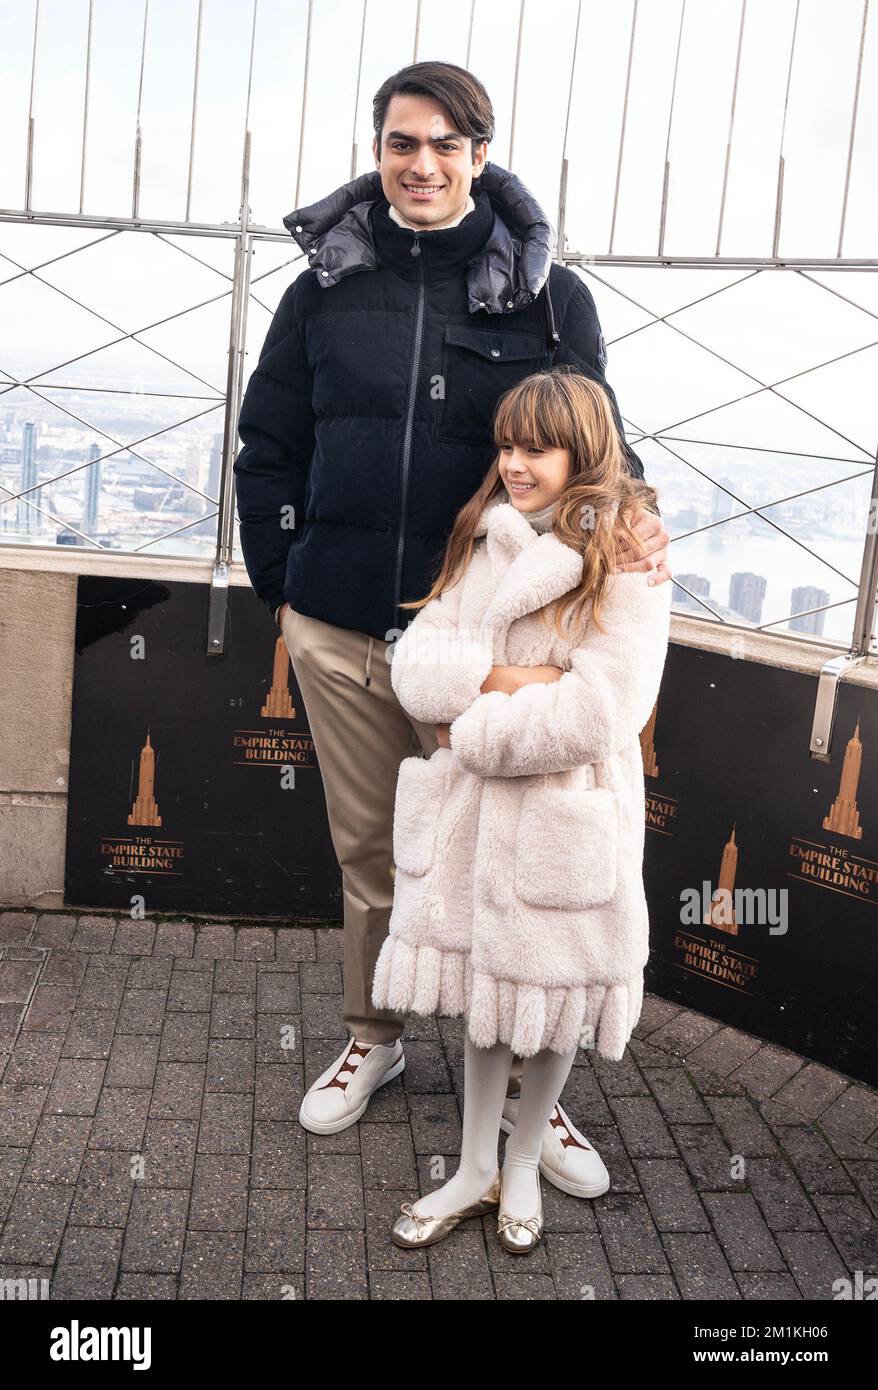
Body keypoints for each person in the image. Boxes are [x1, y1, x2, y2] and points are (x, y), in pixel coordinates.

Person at [233, 60, 672, 1200]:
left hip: (498, 648)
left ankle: (534, 1095)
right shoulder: (321, 289)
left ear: (478, 152)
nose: (417, 165)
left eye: (440, 145)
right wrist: (286, 581)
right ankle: (371, 1035)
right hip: (340, 623)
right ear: (377, 151)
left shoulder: (547, 295)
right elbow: (267, 446)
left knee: (516, 862)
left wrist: (637, 528)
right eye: (397, 144)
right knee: (376, 852)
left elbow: (595, 454)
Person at [375, 367, 672, 1251]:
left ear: (583, 453)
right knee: (488, 1004)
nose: (514, 464)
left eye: (536, 448)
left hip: (563, 821)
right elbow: (416, 666)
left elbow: (605, 710)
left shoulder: (627, 553)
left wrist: (476, 720)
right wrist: (519, 680)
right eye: (507, 445)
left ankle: (524, 1162)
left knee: (551, 1006)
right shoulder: (486, 537)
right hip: (482, 820)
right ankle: (472, 1169)